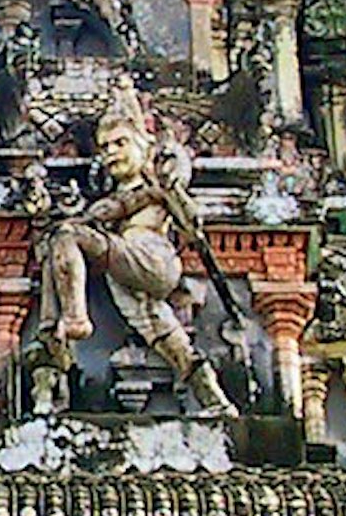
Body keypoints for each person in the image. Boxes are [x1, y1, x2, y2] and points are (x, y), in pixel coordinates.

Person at [38, 86, 230, 412]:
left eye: (120, 143)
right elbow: (93, 218)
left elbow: (192, 223)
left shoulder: (159, 184)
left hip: (153, 256)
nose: (111, 153)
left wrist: (171, 190)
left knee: (68, 235)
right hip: (126, 265)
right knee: (160, 327)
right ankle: (215, 399)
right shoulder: (113, 200)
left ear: (143, 146)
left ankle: (74, 318)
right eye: (105, 147)